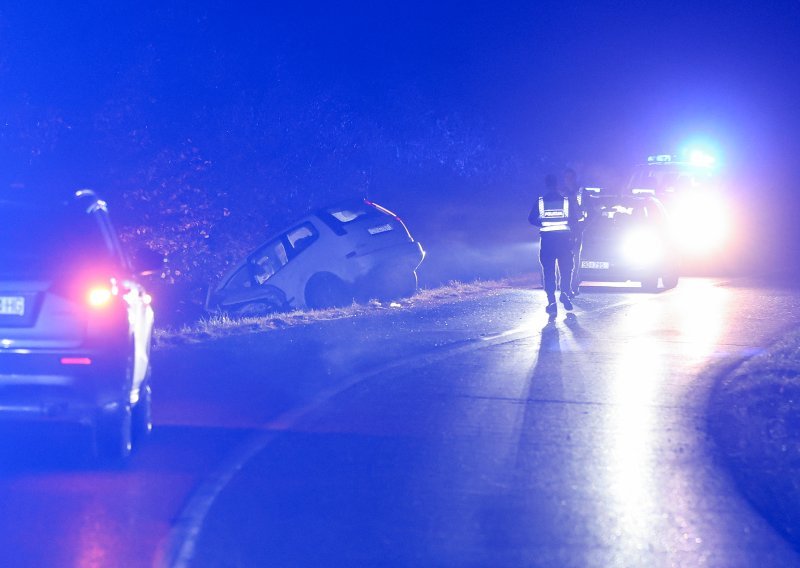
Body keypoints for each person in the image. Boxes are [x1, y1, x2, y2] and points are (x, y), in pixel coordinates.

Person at [529, 173, 582, 315]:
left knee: (549, 272)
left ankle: (552, 302)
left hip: (547, 242)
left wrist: (543, 223)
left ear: (546, 185)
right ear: (557, 185)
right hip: (564, 241)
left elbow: (531, 219)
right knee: (566, 269)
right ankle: (564, 293)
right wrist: (574, 239)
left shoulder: (541, 202)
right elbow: (574, 221)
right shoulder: (565, 202)